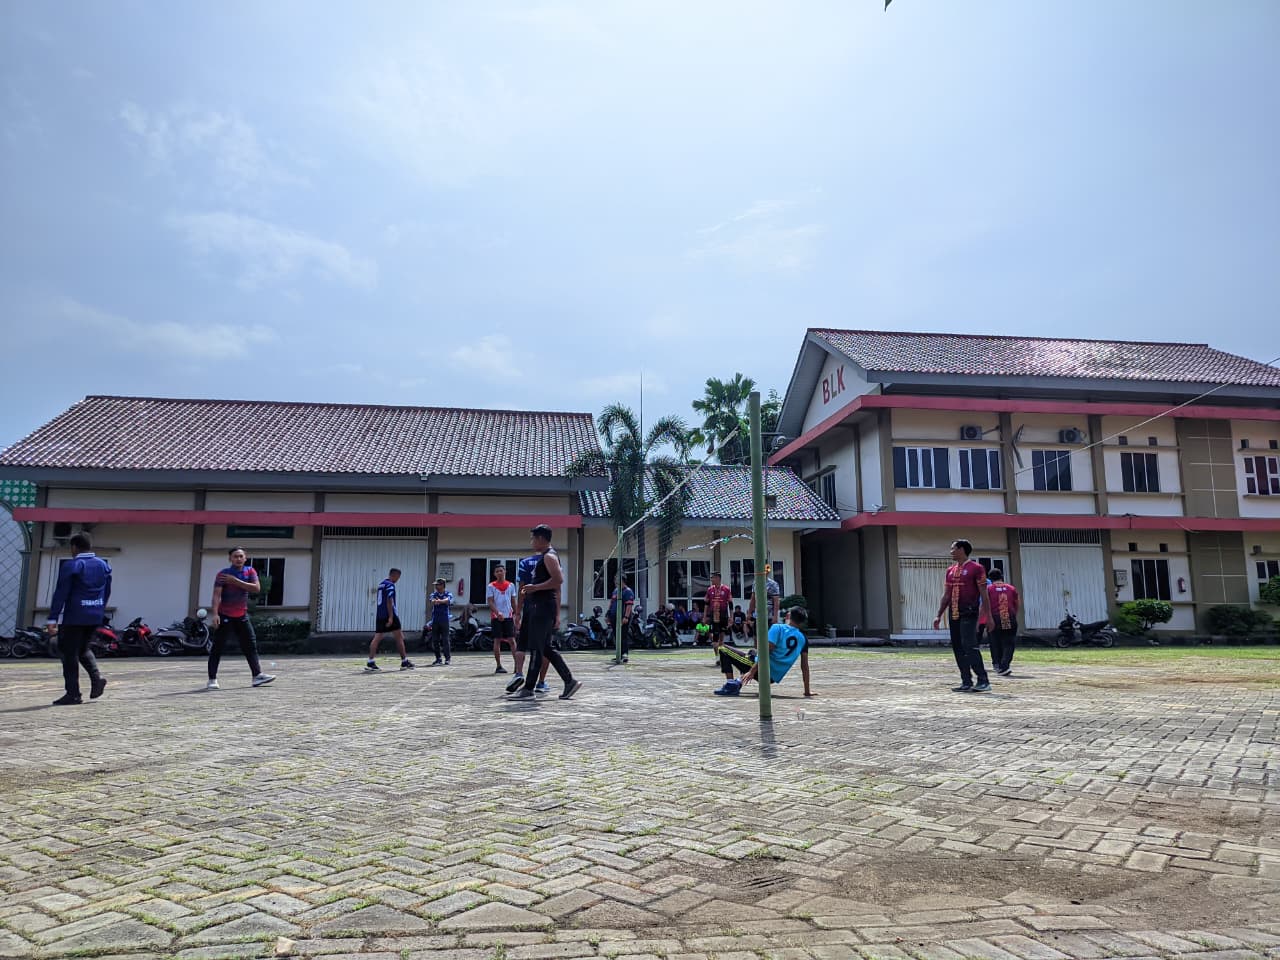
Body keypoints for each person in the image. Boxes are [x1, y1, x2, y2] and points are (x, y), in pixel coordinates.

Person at [511, 524, 581, 701]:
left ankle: (528, 689)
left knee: (537, 648)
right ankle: (569, 681)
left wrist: (536, 587)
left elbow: (558, 580)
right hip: (538, 606)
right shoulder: (545, 557)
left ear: (541, 539)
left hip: (543, 607)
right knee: (545, 648)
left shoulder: (549, 556)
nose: (532, 542)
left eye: (533, 538)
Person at [45, 531, 111, 705]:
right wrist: (99, 609)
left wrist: (52, 619)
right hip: (94, 615)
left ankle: (73, 694)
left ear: (74, 547)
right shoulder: (103, 565)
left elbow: (61, 594)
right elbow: (107, 591)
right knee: (82, 649)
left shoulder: (72, 565)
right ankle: (97, 680)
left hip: (75, 617)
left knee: (69, 654)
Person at [208, 547, 275, 690]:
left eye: (240, 556)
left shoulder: (250, 571)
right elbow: (216, 595)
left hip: (242, 615)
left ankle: (257, 676)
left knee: (250, 645)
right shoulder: (223, 574)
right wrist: (215, 614)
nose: (238, 559)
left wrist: (236, 581)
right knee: (217, 647)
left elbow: (256, 588)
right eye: (235, 556)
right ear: (230, 559)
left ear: (245, 558)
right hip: (225, 614)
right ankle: (212, 679)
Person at [713, 606, 813, 698]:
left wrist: (752, 671)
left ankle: (732, 686)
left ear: (788, 616)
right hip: (771, 678)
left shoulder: (778, 628)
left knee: (723, 649)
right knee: (752, 652)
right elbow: (805, 667)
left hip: (761, 670)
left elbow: (767, 651)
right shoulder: (803, 639)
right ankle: (739, 680)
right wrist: (807, 691)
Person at [932, 539, 991, 693]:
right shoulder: (950, 570)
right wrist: (939, 615)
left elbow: (984, 595)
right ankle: (966, 680)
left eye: (953, 549)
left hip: (969, 612)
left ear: (962, 549)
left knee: (969, 645)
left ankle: (983, 680)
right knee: (957, 646)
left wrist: (988, 616)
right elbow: (946, 595)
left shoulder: (976, 568)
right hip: (954, 613)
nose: (951, 552)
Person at [507, 554, 551, 693]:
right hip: (545, 607)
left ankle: (518, 673)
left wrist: (518, 612)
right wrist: (556, 613)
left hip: (529, 607)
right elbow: (557, 585)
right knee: (544, 647)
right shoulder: (551, 560)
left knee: (522, 643)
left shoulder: (525, 562)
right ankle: (541, 682)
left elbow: (522, 590)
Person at [366, 568, 414, 672]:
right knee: (399, 637)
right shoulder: (390, 585)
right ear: (395, 575)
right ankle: (404, 661)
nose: (398, 579)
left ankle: (370, 661)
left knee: (378, 637)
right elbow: (389, 600)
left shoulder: (381, 584)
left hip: (380, 614)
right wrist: (391, 617)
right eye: (398, 577)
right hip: (389, 614)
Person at [987, 569, 1021, 677]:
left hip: (995, 618)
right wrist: (1014, 614)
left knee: (995, 642)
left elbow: (985, 605)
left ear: (990, 578)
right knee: (1009, 643)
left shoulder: (989, 589)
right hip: (1009, 617)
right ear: (1001, 576)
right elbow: (1017, 603)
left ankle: (998, 664)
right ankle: (1005, 664)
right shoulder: (1011, 588)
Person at [487, 564, 519, 674]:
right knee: (497, 640)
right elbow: (490, 601)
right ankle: (499, 665)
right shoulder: (491, 586)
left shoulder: (511, 585)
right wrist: (497, 612)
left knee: (512, 640)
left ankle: (517, 665)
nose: (500, 573)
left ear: (505, 571)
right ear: (494, 574)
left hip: (508, 616)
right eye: (497, 571)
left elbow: (513, 600)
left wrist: (517, 614)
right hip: (496, 617)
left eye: (501, 570)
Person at [606, 576, 635, 663]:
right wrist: (608, 614)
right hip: (614, 616)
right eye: (615, 580)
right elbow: (611, 603)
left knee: (623, 635)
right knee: (616, 635)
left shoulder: (628, 591)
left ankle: (624, 654)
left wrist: (626, 617)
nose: (615, 582)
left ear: (623, 581)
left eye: (617, 580)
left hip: (623, 616)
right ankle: (618, 654)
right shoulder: (615, 591)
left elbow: (629, 605)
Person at [705, 571, 733, 655]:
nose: (711, 579)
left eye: (713, 577)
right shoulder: (710, 589)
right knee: (714, 637)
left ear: (718, 578)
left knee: (721, 637)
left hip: (723, 614)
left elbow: (730, 604)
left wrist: (731, 617)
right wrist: (705, 616)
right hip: (713, 615)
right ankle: (717, 656)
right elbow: (706, 604)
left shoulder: (726, 589)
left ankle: (720, 655)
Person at [428, 578, 453, 665]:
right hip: (435, 619)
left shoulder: (448, 593)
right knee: (435, 640)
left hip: (444, 619)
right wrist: (439, 601)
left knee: (445, 639)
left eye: (438, 585)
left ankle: (447, 658)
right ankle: (438, 658)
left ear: (442, 585)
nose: (436, 586)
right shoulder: (433, 594)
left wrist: (440, 601)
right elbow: (432, 601)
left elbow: (448, 600)